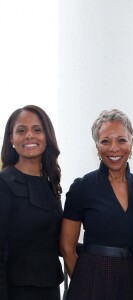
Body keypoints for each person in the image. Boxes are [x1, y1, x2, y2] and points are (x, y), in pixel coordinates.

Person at [60, 109, 133, 300]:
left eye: (122, 140)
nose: (114, 148)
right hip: (92, 278)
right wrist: (83, 282)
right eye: (105, 141)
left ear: (131, 143)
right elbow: (66, 247)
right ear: (96, 146)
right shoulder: (82, 186)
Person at [0, 105, 64, 300]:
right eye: (21, 130)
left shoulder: (51, 181)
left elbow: (53, 240)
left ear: (47, 136)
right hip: (16, 290)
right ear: (11, 139)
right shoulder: (3, 183)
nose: (30, 135)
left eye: (37, 129)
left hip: (50, 288)